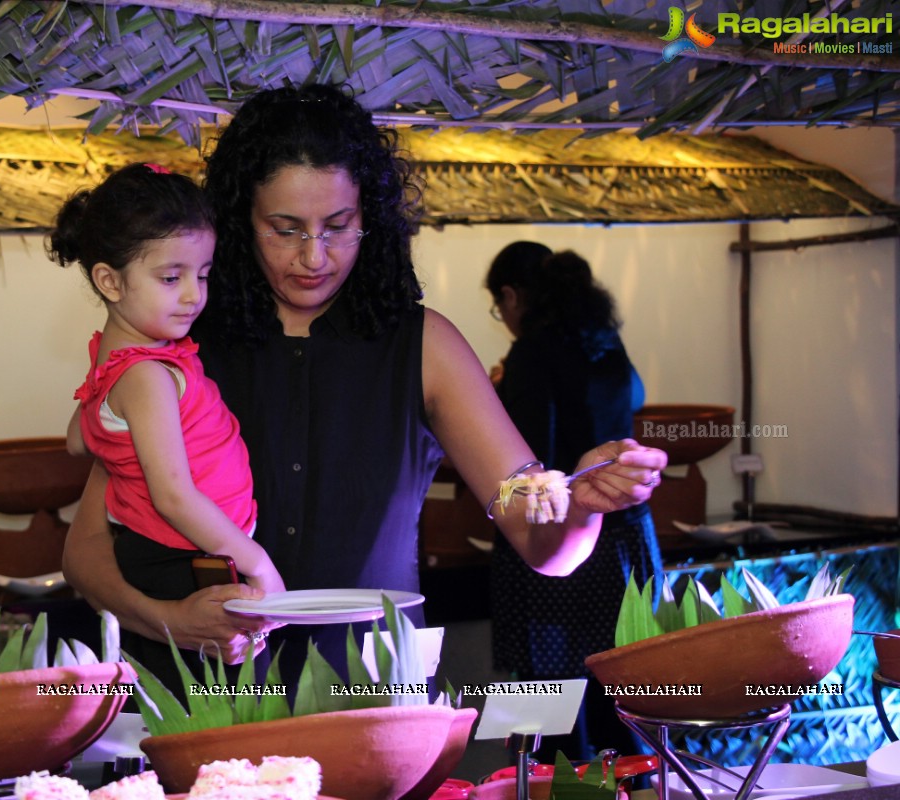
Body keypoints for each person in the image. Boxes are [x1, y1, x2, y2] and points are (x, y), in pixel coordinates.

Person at [61, 83, 666, 692]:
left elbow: (539, 541)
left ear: (370, 219)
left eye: (339, 226)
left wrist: (581, 505)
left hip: (371, 694)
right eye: (285, 228)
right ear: (240, 221)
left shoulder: (424, 345)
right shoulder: (179, 349)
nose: (314, 256)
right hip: (210, 692)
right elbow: (85, 553)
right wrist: (170, 621)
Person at [49, 163, 285, 697]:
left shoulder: (117, 367)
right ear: (109, 281)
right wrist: (259, 564)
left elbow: (76, 438)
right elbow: (174, 495)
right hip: (181, 561)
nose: (192, 295)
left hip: (174, 556)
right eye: (170, 277)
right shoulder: (146, 375)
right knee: (223, 724)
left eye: (202, 275)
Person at [486, 243, 662, 760]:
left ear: (512, 296)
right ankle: (641, 788)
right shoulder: (607, 342)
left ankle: (537, 788)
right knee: (627, 689)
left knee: (543, 704)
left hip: (554, 538)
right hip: (626, 536)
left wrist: (494, 400)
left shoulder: (531, 354)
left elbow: (521, 463)